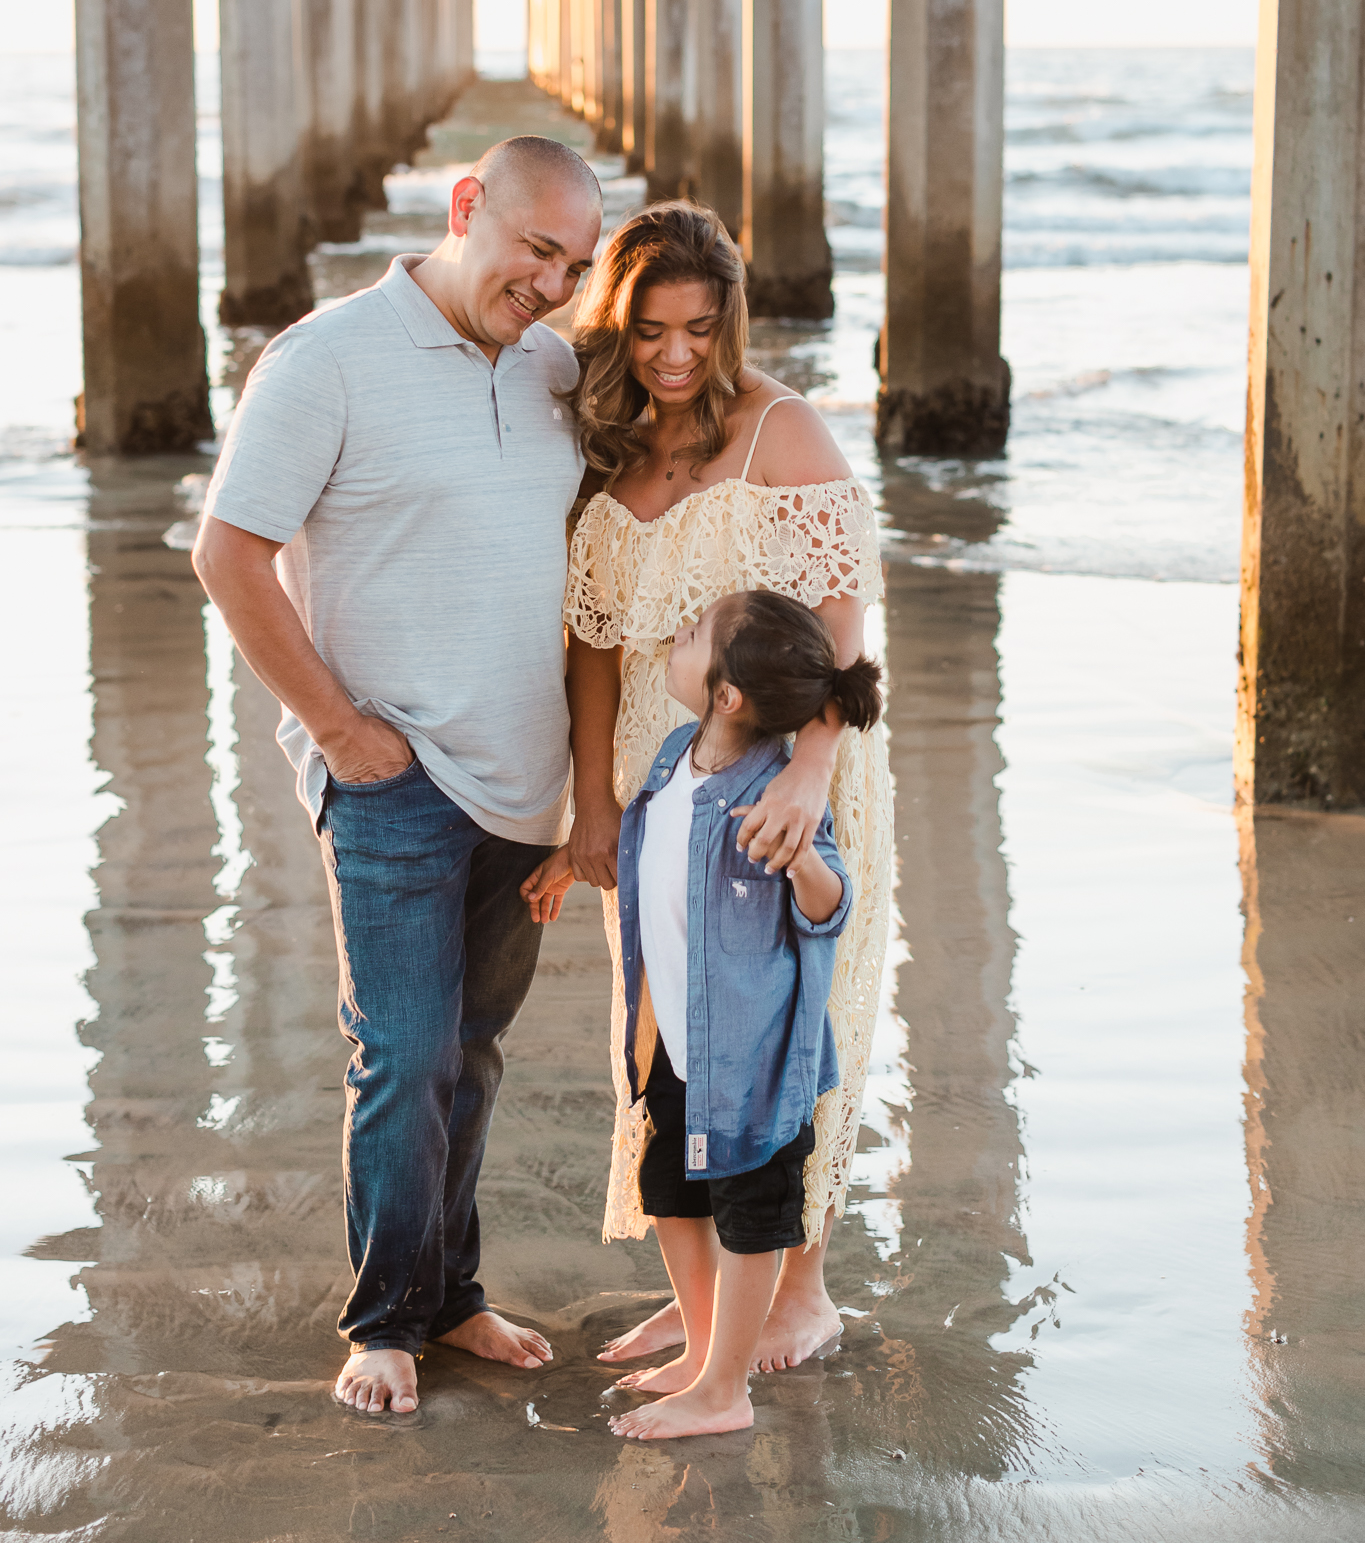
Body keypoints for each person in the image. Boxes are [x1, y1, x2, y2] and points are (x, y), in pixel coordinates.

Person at [191, 136, 603, 1416]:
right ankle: (381, 1319)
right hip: (391, 775)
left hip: (525, 786)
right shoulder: (325, 359)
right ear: (465, 205)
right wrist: (339, 728)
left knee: (470, 1054)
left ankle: (454, 1294)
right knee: (407, 1050)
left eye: (578, 267)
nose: (552, 285)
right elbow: (228, 554)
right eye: (537, 250)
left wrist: (582, 796)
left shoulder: (550, 370)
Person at [522, 200, 896, 1372]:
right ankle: (707, 1298)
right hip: (656, 778)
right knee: (672, 1025)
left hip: (790, 765)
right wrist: (593, 805)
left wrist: (813, 770)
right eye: (647, 330)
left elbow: (843, 624)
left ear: (729, 317)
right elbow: (589, 643)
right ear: (615, 324)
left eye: (698, 326)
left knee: (792, 1016)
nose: (675, 354)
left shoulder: (781, 428)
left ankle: (805, 1291)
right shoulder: (605, 441)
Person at [604, 590, 883, 1441]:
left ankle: (725, 1388)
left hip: (752, 1055)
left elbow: (832, 907)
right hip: (673, 1040)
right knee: (673, 1196)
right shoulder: (668, 758)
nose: (676, 633)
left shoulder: (776, 795)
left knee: (749, 1214)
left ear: (727, 694)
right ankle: (699, 1351)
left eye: (692, 636)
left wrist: (802, 868)